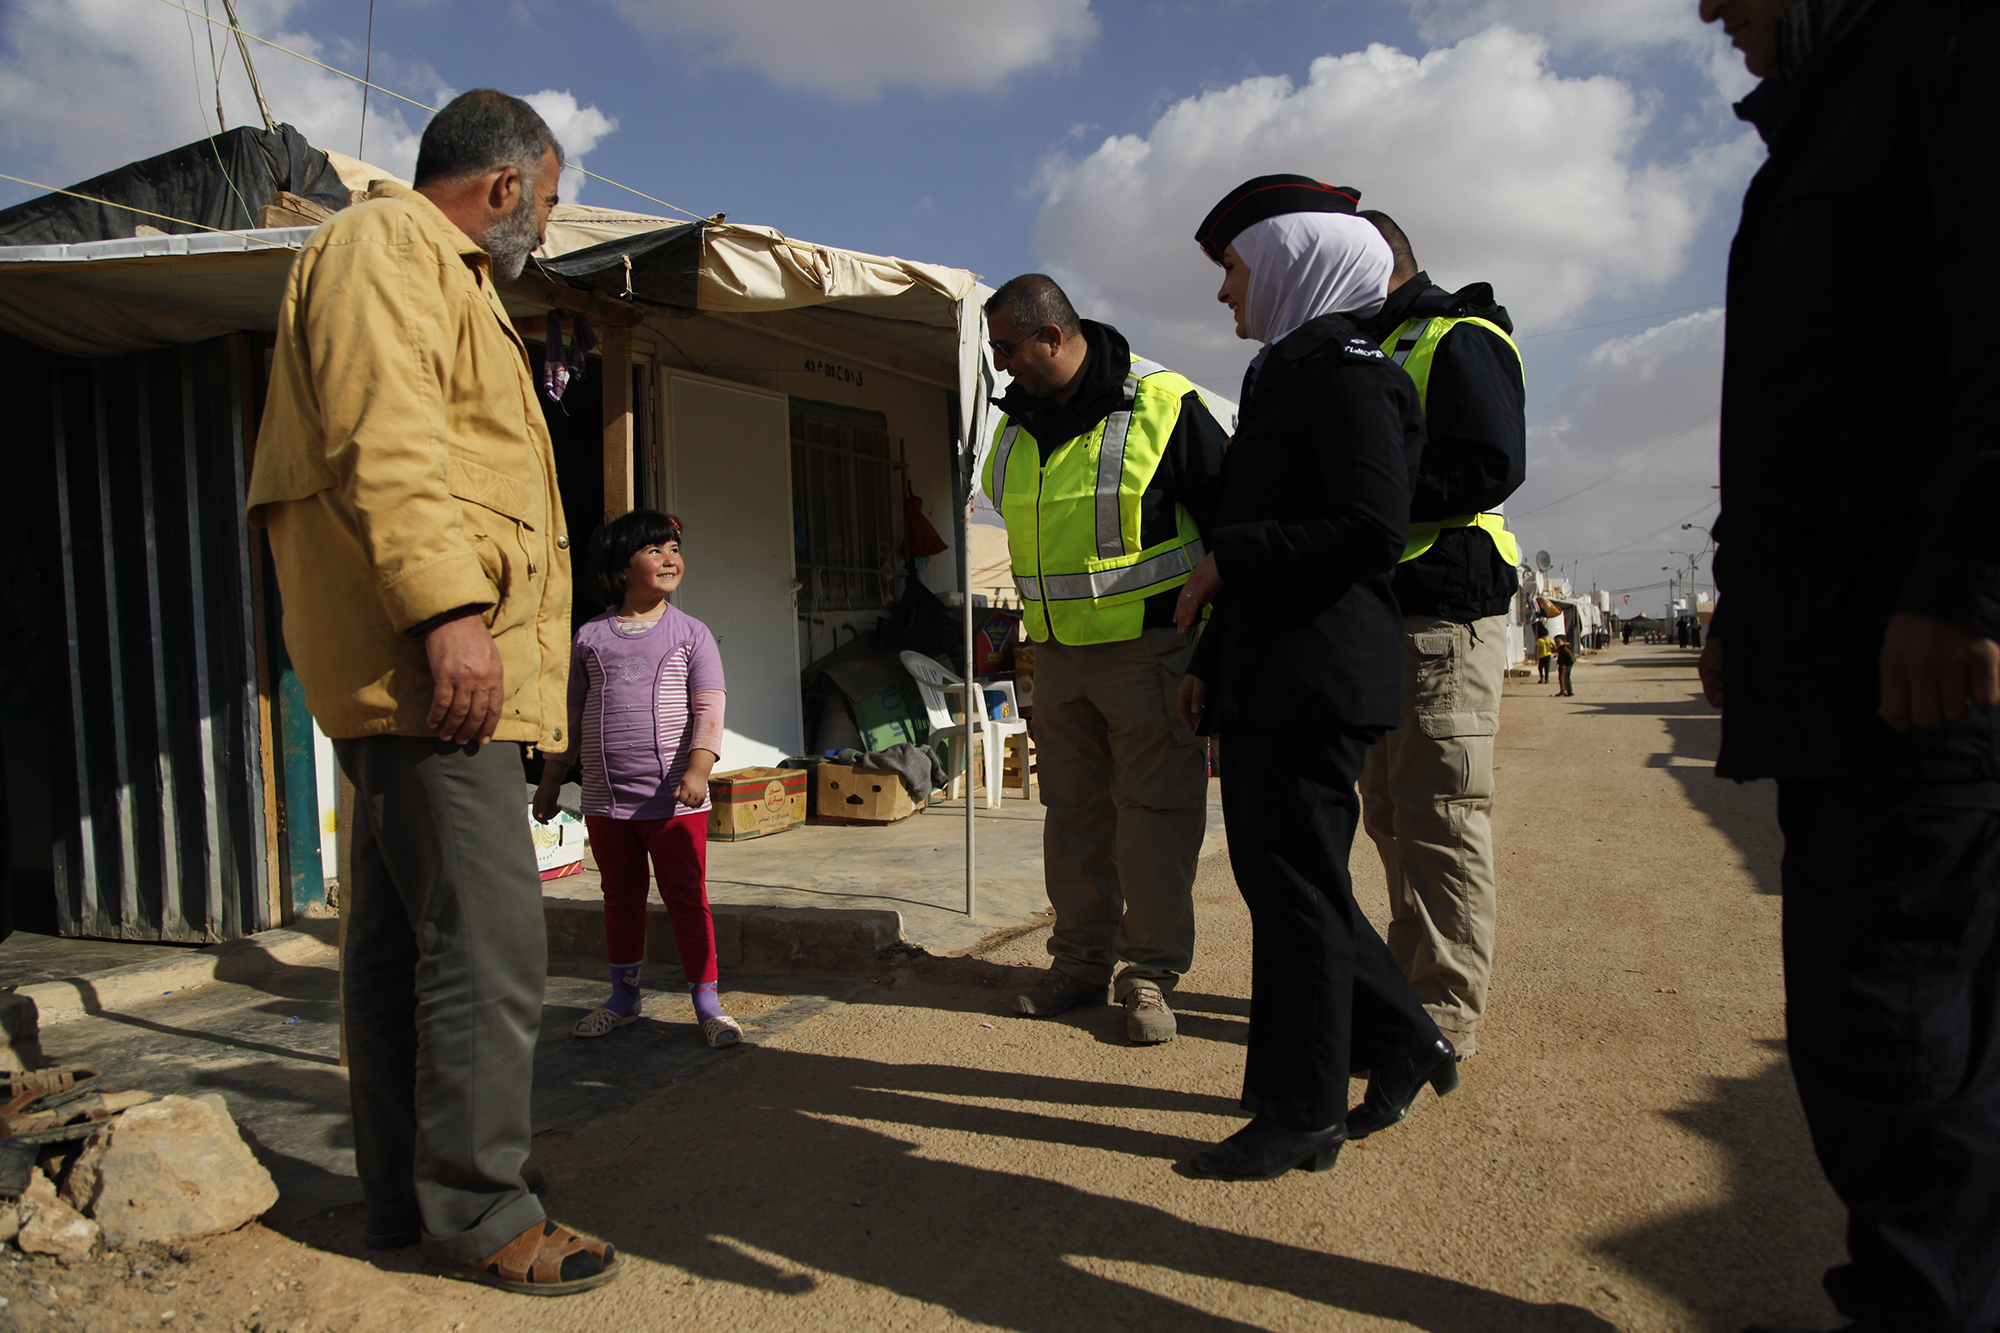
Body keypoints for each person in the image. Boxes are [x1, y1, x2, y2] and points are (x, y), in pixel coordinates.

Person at [246, 90, 622, 1295]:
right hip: (424, 664)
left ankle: (410, 1198)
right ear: (505, 185)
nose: (545, 230)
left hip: (416, 664)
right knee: (490, 937)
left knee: (402, 941)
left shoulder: (442, 274)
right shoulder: (389, 245)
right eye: (549, 201)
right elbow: (386, 437)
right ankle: (479, 1210)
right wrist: (448, 616)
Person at [1696, 3, 2000, 1331]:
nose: (1713, 13)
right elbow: (1799, 406)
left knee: (1898, 1031)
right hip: (1835, 655)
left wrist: (1964, 586)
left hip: (1915, 664)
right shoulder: (1838, 114)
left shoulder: (1957, 57)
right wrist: (1734, 597)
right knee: (1875, 1027)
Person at [1173, 174, 1454, 1181]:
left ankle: (1302, 1111)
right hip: (1266, 665)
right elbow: (1260, 534)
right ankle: (1402, 1040)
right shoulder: (1283, 375)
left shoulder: (1348, 374)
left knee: (1291, 884)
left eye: (1235, 272)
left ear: (1293, 267)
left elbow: (1369, 530)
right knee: (1280, 875)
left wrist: (1230, 560)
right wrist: (1210, 655)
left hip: (1318, 671)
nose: (1223, 294)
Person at [981, 273, 1227, 1045]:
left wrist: (1209, 650)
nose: (1002, 366)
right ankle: (1079, 962)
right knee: (1074, 816)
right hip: (1056, 658)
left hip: (1149, 653)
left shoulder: (1162, 403)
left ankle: (1149, 975)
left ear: (1052, 336)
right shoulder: (1013, 430)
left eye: (1009, 348)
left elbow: (1235, 526)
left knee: (1154, 818)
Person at [1353, 209, 1526, 1064]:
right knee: (1389, 813)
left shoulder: (1459, 336)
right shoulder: (1365, 346)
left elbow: (1491, 463)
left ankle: (1444, 1016)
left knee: (1442, 815)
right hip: (1380, 619)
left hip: (1443, 614)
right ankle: (1409, 983)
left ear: (1377, 263)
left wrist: (1362, 494)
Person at [533, 509, 741, 1049]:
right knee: (619, 897)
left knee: (686, 896)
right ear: (622, 568)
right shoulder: (590, 638)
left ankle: (707, 1002)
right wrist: (553, 778)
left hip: (675, 800)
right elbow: (572, 718)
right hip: (606, 800)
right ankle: (623, 998)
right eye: (653, 550)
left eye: (673, 549)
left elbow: (709, 710)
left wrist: (699, 769)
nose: (670, 558)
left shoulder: (691, 635)